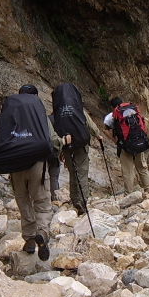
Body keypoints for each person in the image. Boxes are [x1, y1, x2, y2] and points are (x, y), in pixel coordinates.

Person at [13, 85, 70, 260]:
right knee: (42, 202)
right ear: (36, 97)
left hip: (15, 166)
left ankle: (29, 240)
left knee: (24, 203)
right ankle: (42, 233)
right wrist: (63, 143)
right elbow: (52, 141)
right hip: (37, 165)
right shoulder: (40, 115)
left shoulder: (10, 113)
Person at [52, 83, 102, 214]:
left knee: (72, 172)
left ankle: (75, 200)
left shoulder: (57, 111)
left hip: (66, 145)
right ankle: (83, 202)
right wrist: (98, 135)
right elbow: (89, 124)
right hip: (81, 143)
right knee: (82, 172)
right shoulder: (78, 109)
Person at [104, 96, 149, 193]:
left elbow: (106, 130)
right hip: (139, 142)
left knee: (128, 170)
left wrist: (115, 141)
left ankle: (129, 193)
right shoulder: (133, 110)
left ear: (112, 107)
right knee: (142, 167)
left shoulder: (111, 116)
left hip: (125, 146)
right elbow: (143, 123)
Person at [47, 113, 60, 201]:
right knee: (54, 176)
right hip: (55, 152)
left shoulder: (47, 119)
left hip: (43, 150)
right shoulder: (60, 121)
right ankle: (54, 198)